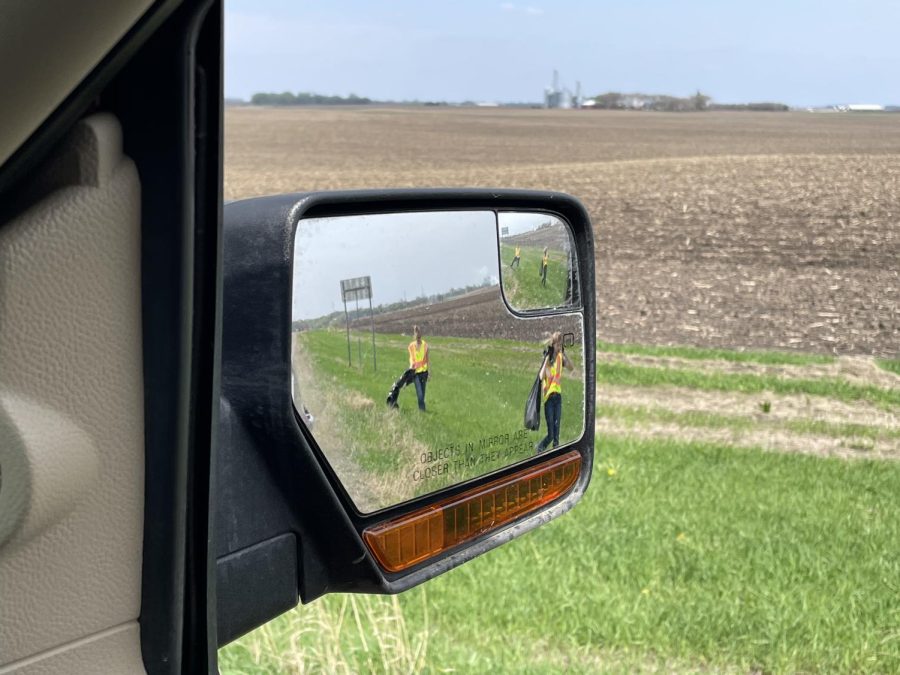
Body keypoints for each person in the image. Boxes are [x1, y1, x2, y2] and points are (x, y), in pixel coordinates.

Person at [535, 332, 572, 453]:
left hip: (558, 398)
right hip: (549, 400)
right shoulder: (549, 360)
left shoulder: (561, 358)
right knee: (551, 434)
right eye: (557, 344)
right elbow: (541, 376)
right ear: (553, 345)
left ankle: (555, 455)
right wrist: (546, 359)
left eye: (561, 345)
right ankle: (539, 449)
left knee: (557, 435)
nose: (559, 347)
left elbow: (571, 368)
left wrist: (565, 354)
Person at [407, 325, 430, 411]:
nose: (418, 339)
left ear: (421, 335)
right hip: (415, 373)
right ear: (415, 336)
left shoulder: (425, 345)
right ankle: (423, 411)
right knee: (420, 395)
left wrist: (429, 372)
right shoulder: (411, 346)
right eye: (417, 337)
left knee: (422, 395)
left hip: (424, 372)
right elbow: (411, 358)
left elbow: (427, 359)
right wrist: (410, 367)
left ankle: (421, 412)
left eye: (419, 337)